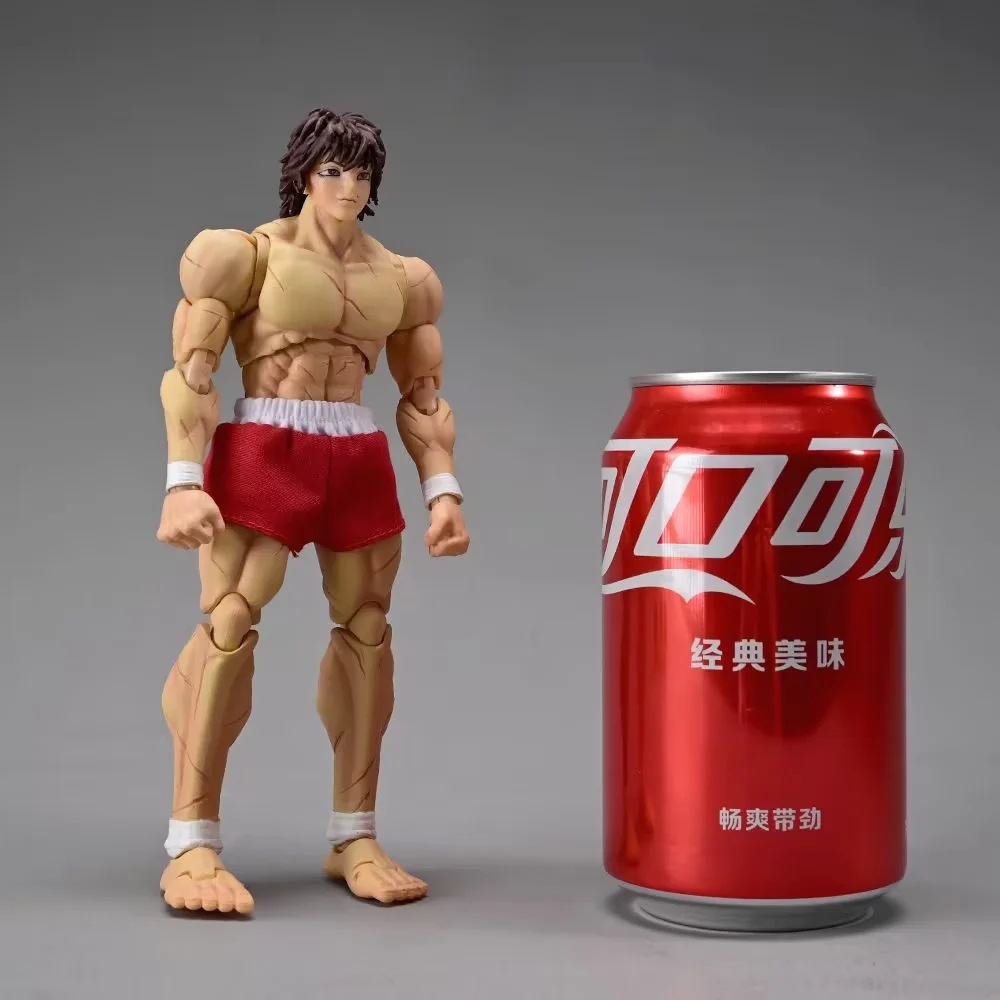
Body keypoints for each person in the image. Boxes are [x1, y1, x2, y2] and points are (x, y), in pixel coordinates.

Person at [155, 108, 469, 914]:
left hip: (354, 448)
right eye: (333, 170)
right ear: (303, 174)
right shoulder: (246, 255)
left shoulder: (402, 277)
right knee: (229, 621)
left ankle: (353, 835)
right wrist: (183, 481)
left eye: (361, 173)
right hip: (267, 442)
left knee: (368, 630)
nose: (348, 187)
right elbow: (191, 374)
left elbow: (422, 396)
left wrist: (443, 492)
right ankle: (191, 844)